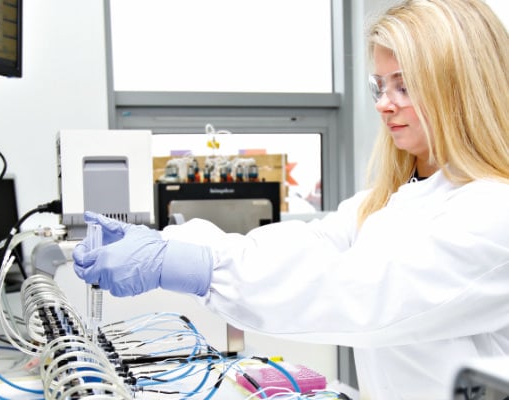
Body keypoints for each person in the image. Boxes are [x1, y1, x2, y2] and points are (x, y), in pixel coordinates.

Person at [72, 0, 509, 398]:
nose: (384, 105)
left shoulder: (493, 212)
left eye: (405, 86)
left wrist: (197, 270)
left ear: (461, 88)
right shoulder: (399, 197)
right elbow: (313, 244)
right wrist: (173, 244)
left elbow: (359, 292)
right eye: (379, 87)